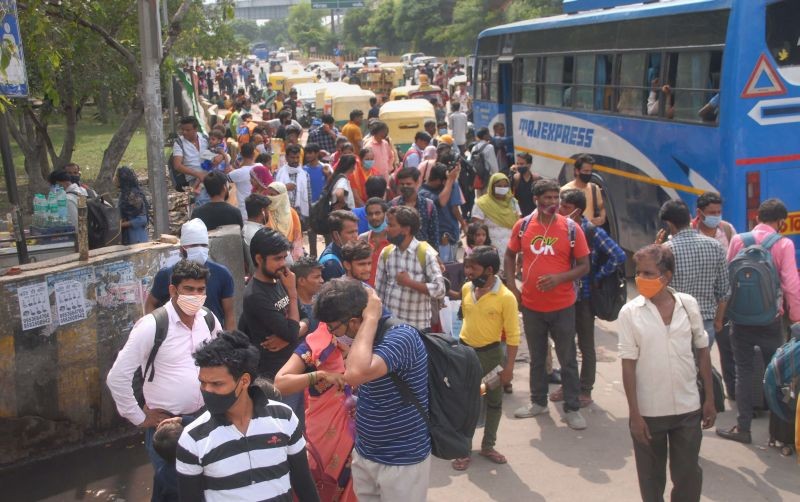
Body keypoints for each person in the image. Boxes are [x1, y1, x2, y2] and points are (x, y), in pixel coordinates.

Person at [107, 260, 221, 490]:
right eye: (189, 289)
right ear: (173, 290)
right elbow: (117, 377)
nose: (196, 295)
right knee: (173, 488)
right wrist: (139, 417)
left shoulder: (208, 319)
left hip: (206, 421)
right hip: (168, 428)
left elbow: (223, 359)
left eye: (201, 290)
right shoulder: (152, 325)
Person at [316, 279, 431, 502]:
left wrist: (370, 318)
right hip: (367, 453)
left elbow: (355, 373)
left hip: (401, 460)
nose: (332, 334)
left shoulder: (400, 337)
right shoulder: (365, 338)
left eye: (333, 328)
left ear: (354, 321)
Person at [619, 244, 716, 502]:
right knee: (651, 481)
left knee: (687, 477)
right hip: (649, 412)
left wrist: (709, 399)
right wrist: (634, 415)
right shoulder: (629, 313)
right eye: (639, 273)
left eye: (648, 274)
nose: (641, 279)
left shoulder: (688, 305)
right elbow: (628, 365)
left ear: (667, 276)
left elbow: (702, 350)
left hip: (688, 408)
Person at [176, 330, 319, 502]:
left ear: (244, 381)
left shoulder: (284, 418)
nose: (206, 390)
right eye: (202, 382)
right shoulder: (192, 438)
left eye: (216, 384)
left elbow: (304, 484)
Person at [505, 179, 590, 430]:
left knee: (568, 359)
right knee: (537, 357)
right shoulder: (523, 227)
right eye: (548, 198)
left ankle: (572, 408)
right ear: (536, 200)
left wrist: (559, 278)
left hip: (563, 306)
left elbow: (585, 266)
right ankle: (538, 402)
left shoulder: (571, 229)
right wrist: (513, 287)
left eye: (556, 198)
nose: (553, 203)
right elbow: (510, 256)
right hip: (531, 306)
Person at [717, 198, 800, 444]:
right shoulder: (783, 244)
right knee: (777, 373)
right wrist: (795, 316)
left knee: (743, 372)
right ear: (781, 222)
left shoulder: (738, 240)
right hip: (770, 321)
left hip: (740, 321)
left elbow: (728, 278)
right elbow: (791, 285)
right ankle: (778, 435)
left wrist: (725, 313)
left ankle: (743, 428)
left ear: (756, 218)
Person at [452, 246, 519, 471]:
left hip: (492, 359)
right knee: (466, 403)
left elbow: (512, 336)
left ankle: (488, 446)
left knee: (493, 401)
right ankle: (464, 449)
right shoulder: (465, 289)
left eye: (473, 267)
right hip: (466, 356)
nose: (468, 272)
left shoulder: (506, 298)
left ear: (489, 270)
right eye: (466, 266)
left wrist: (508, 368)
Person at [557, 189, 626, 407]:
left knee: (586, 346)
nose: (560, 210)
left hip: (584, 299)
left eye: (565, 207)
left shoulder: (591, 232)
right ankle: (568, 385)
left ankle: (585, 389)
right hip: (563, 297)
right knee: (564, 344)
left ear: (576, 210)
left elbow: (618, 255)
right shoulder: (561, 228)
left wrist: (598, 275)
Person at [238, 228, 305, 424]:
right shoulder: (256, 295)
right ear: (259, 259)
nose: (283, 264)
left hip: (294, 368)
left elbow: (306, 317)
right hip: (274, 378)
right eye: (277, 258)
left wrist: (289, 335)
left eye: (285, 257)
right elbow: (294, 329)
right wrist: (293, 294)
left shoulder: (281, 279)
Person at [658, 200, 729, 347]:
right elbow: (723, 291)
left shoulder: (666, 250)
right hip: (706, 324)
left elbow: (657, 289)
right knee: (701, 365)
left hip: (676, 324)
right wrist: (718, 320)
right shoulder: (715, 246)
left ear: (670, 224)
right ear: (689, 217)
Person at [146, 219, 236, 330]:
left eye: (203, 245)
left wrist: (230, 344)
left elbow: (229, 314)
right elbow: (151, 303)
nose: (199, 249)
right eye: (193, 245)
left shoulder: (223, 274)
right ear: (181, 249)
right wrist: (156, 330)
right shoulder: (166, 274)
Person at [691, 191, 737, 397]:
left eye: (719, 212)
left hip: (724, 301)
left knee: (729, 350)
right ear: (699, 213)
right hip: (700, 304)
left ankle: (733, 391)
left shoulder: (727, 230)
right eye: (712, 212)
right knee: (700, 353)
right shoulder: (690, 232)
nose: (716, 216)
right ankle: (703, 394)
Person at [376, 206, 446, 330]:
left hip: (417, 329)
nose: (386, 229)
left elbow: (440, 289)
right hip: (390, 328)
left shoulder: (426, 253)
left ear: (406, 230)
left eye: (391, 225)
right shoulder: (386, 253)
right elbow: (379, 292)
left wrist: (409, 283)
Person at [470, 173, 520, 274]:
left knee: (507, 277)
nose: (503, 188)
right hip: (490, 248)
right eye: (499, 186)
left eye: (505, 186)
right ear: (492, 186)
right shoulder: (482, 203)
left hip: (509, 247)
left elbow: (519, 224)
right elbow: (476, 228)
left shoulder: (513, 202)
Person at [419, 163, 466, 263]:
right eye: (445, 181)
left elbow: (454, 207)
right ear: (439, 180)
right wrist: (449, 181)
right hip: (436, 241)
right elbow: (441, 202)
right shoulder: (423, 193)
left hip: (451, 237)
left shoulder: (446, 187)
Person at [391, 168, 439, 250]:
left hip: (423, 253)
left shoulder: (428, 205)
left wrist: (435, 255)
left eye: (409, 184)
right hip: (399, 253)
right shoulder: (393, 205)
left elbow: (434, 234)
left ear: (417, 183)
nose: (405, 186)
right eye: (402, 184)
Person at [172, 116, 214, 208]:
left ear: (195, 129)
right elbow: (177, 165)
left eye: (187, 130)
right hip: (194, 178)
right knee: (202, 202)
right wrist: (198, 174)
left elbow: (213, 153)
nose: (184, 132)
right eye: (182, 130)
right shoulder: (179, 142)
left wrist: (220, 157)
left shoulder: (204, 138)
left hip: (210, 173)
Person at [560, 155, 606, 227]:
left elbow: (602, 207)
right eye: (586, 171)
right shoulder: (565, 190)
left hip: (588, 231)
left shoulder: (594, 188)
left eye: (590, 171)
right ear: (577, 171)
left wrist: (602, 218)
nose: (588, 174)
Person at [303, 142, 332, 257]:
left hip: (324, 205)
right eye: (307, 153)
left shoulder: (325, 168)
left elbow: (331, 184)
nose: (308, 156)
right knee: (311, 232)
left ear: (316, 154)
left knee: (327, 231)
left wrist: (328, 175)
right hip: (310, 205)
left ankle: (328, 254)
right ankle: (313, 256)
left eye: (310, 153)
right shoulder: (303, 170)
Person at [265, 181, 304, 263]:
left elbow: (297, 236)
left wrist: (295, 256)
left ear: (282, 196)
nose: (269, 197)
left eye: (272, 195)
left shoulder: (292, 213)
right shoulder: (265, 213)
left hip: (289, 254)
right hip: (270, 254)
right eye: (268, 194)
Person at [275, 143, 313, 222]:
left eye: (297, 157)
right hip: (282, 212)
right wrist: (285, 187)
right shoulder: (278, 173)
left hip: (298, 214)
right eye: (292, 157)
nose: (295, 160)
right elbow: (273, 192)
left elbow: (308, 196)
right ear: (286, 158)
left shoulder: (305, 174)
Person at [320, 210, 361, 281]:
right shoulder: (332, 264)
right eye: (350, 232)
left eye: (356, 231)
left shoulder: (344, 253)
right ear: (336, 235)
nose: (355, 236)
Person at [359, 197, 391, 287]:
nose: (374, 217)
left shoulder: (394, 240)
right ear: (366, 217)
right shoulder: (362, 239)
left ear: (385, 214)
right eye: (370, 214)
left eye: (377, 213)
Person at [116, 165, 149, 245]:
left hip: (136, 238)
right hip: (127, 237)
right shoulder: (124, 194)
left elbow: (142, 219)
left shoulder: (133, 195)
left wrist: (121, 225)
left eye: (116, 176)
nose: (114, 179)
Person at [292, 256, 324, 337]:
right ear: (301, 281)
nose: (322, 280)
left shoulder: (322, 300)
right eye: (317, 277)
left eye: (321, 276)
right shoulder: (292, 309)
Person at [226, 142, 259, 219]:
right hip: (258, 209)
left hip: (244, 211)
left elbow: (225, 178)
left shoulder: (237, 173)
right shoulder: (260, 166)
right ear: (253, 153)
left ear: (241, 154)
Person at [242, 193, 271, 274]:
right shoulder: (261, 234)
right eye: (267, 210)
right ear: (263, 211)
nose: (269, 213)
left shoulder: (244, 228)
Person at [511, 153, 540, 217]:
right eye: (517, 164)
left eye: (521, 164)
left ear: (529, 165)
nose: (518, 166)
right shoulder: (515, 178)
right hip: (519, 215)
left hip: (533, 215)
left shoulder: (536, 179)